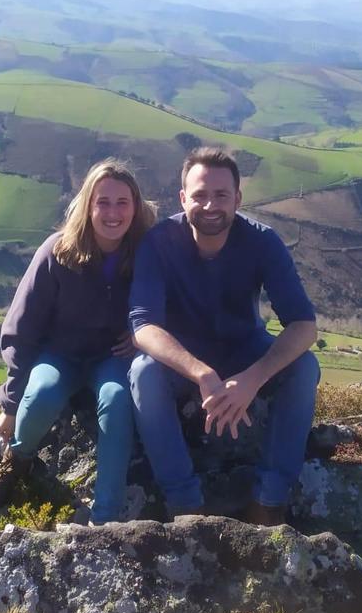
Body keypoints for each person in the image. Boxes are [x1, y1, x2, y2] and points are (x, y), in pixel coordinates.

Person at [128, 147, 319, 525]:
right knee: (143, 373)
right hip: (184, 357)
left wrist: (253, 379)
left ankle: (269, 502)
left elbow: (303, 325)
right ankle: (184, 505)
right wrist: (200, 372)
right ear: (183, 198)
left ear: (238, 198)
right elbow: (143, 326)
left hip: (245, 348)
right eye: (199, 195)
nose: (210, 205)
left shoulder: (263, 242)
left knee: (304, 367)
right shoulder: (159, 242)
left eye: (221, 195)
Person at [0, 159, 156, 524]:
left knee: (117, 400)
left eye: (122, 202)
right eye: (103, 202)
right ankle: (16, 461)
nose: (113, 213)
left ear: (135, 207)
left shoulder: (147, 253)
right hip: (59, 356)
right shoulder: (57, 251)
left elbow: (170, 303)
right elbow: (22, 327)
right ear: (87, 205)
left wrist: (143, 333)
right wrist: (10, 405)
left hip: (112, 357)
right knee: (42, 394)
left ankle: (105, 517)